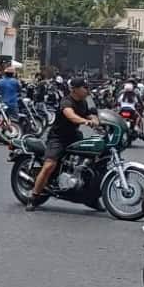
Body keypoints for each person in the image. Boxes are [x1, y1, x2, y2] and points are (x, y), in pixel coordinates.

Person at [26, 78, 99, 212]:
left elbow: (89, 114)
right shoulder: (66, 101)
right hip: (58, 138)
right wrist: (86, 122)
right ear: (75, 89)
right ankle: (34, 196)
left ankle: (91, 198)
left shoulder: (83, 102)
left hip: (74, 136)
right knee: (50, 165)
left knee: (92, 162)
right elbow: (70, 116)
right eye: (84, 87)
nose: (87, 90)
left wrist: (96, 120)